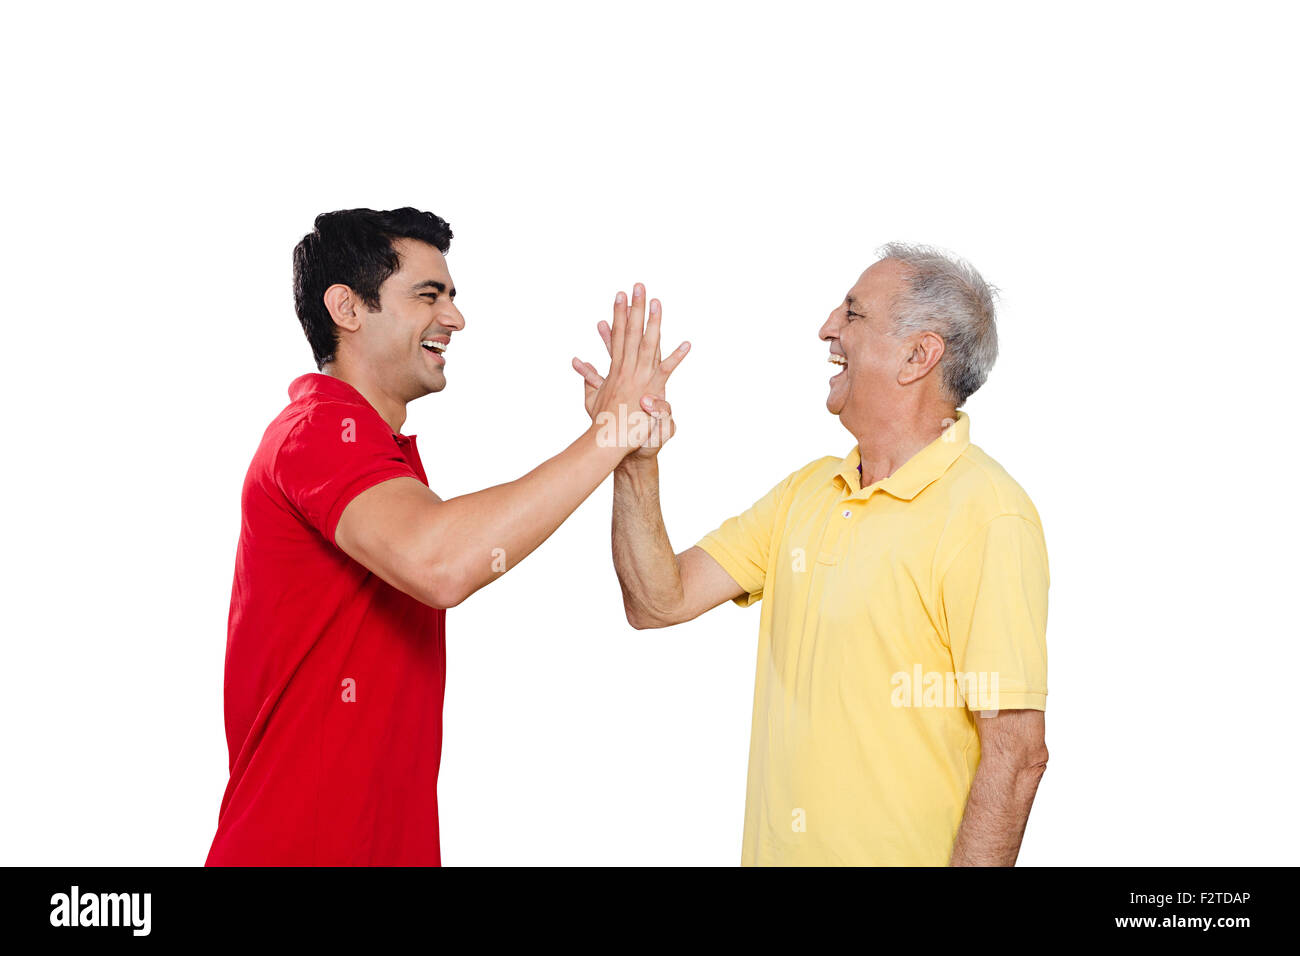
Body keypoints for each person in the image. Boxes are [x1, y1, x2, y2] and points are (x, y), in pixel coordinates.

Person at [207, 207, 686, 865]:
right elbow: (443, 563)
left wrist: (624, 446)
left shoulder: (380, 452)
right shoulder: (319, 432)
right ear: (346, 307)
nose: (455, 319)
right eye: (428, 296)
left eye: (453, 297)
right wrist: (610, 436)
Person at [575, 243, 1049, 866]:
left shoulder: (987, 512)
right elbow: (657, 601)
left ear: (918, 355)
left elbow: (1015, 753)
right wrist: (634, 461)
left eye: (852, 314)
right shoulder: (808, 491)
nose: (827, 327)